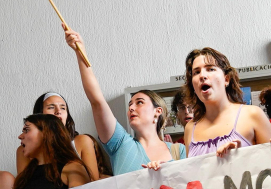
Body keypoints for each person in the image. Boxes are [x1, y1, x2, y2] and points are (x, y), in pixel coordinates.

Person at [64, 28, 186, 174]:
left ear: (157, 111)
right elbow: (97, 101)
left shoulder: (179, 150)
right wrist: (80, 51)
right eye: (130, 105)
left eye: (139, 102)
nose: (132, 108)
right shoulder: (120, 143)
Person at [181, 47, 271, 157]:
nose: (202, 75)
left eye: (210, 69)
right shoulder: (190, 128)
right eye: (196, 72)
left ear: (226, 79)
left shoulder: (253, 115)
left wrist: (242, 157)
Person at [15, 91, 104, 180]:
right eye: (51, 107)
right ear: (39, 116)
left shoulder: (82, 141)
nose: (58, 111)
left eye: (63, 108)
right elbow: (23, 187)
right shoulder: (23, 151)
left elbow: (93, 182)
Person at [11, 114, 92, 189]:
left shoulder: (72, 167)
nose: (20, 136)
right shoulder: (25, 174)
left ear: (46, 133)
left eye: (27, 130)